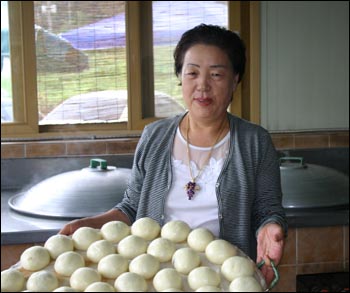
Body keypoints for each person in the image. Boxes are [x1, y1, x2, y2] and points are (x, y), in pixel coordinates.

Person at [60, 24, 287, 287]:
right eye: (192, 72)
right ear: (180, 75)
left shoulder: (255, 142)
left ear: (235, 79)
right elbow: (132, 207)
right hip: (154, 277)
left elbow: (268, 210)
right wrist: (89, 225)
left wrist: (271, 227)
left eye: (216, 74)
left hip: (224, 280)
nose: (202, 86)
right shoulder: (154, 136)